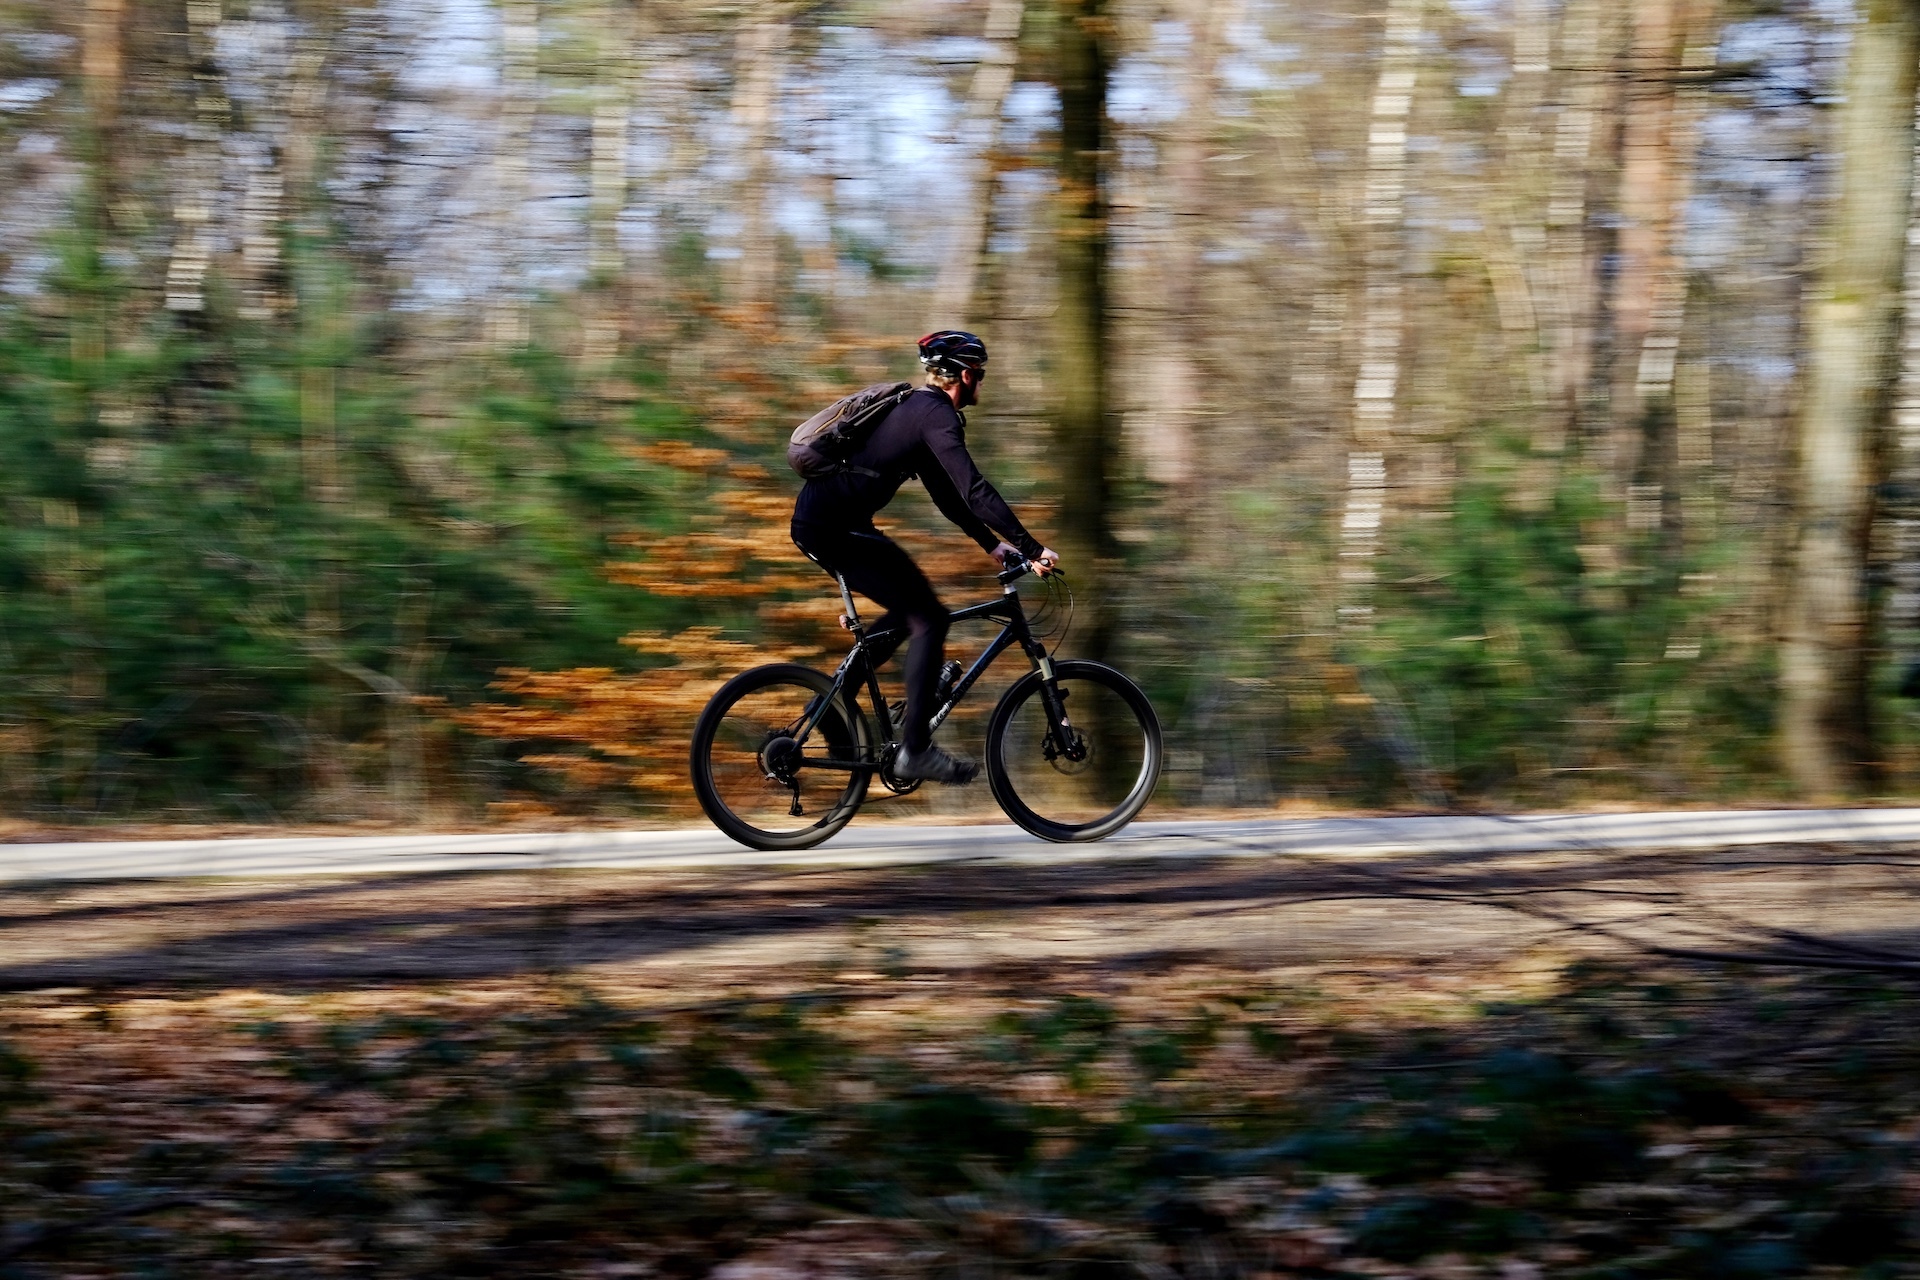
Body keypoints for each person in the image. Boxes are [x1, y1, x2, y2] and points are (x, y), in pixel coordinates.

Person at [790, 330, 1059, 785]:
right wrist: (1033, 548)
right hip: (834, 528)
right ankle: (914, 750)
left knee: (910, 613)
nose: (982, 382)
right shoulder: (936, 417)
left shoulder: (919, 411)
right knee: (929, 618)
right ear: (965, 375)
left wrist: (993, 545)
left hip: (830, 524)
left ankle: (831, 708)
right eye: (981, 374)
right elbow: (974, 489)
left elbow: (951, 499)